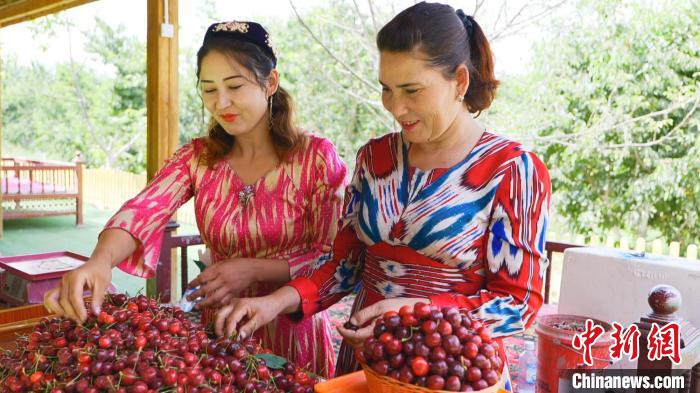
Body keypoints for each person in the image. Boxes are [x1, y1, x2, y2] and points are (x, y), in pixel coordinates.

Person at [216, 2, 552, 383]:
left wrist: (416, 314)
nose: (396, 107)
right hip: (366, 363)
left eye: (412, 90)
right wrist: (273, 302)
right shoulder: (374, 158)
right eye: (387, 90)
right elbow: (344, 265)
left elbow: (517, 304)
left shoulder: (512, 170)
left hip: (452, 374)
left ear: (460, 82)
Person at [43, 20, 346, 378]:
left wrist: (253, 269)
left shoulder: (314, 158)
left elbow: (331, 255)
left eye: (234, 86)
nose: (221, 102)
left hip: (293, 327)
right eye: (208, 89)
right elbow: (144, 209)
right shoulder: (198, 158)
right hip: (218, 330)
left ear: (271, 83)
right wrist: (100, 261)